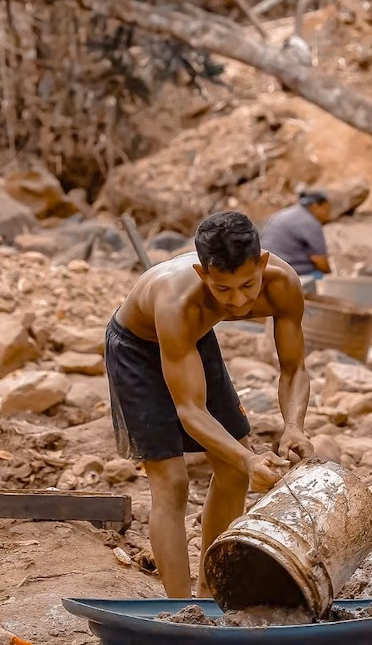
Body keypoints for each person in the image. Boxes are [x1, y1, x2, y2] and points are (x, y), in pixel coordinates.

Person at [105, 211, 314, 598]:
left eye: (248, 285)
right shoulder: (177, 302)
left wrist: (294, 425)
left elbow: (295, 367)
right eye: (223, 290)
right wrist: (251, 459)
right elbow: (190, 410)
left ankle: (211, 592)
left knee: (233, 474)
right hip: (136, 348)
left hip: (194, 341)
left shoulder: (283, 283)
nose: (237, 301)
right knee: (172, 482)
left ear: (263, 264)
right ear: (203, 276)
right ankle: (183, 609)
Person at [259, 189, 332, 280]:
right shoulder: (310, 223)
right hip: (291, 271)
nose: (329, 215)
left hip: (266, 266)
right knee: (323, 279)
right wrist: (331, 275)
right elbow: (320, 260)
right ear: (316, 206)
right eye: (327, 209)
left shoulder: (285, 214)